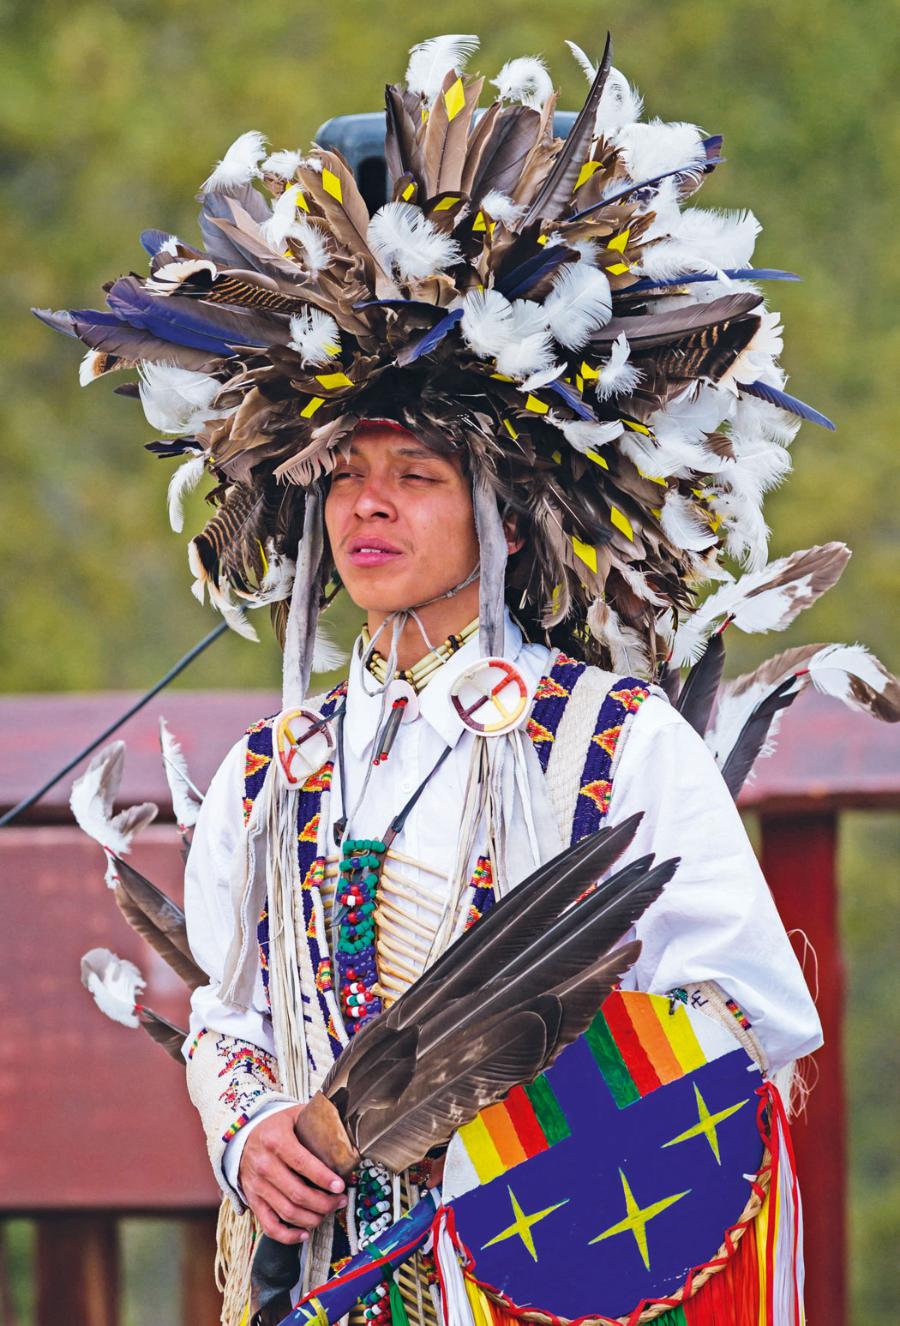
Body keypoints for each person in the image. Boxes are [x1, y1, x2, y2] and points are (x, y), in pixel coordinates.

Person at [43, 30, 899, 1326]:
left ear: (498, 509)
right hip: (335, 1283)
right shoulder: (281, 772)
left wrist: (515, 1122)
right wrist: (260, 1123)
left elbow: (749, 1025)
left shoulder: (611, 746)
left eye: (415, 474)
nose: (368, 507)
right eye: (346, 475)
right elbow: (231, 1005)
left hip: (543, 1275)